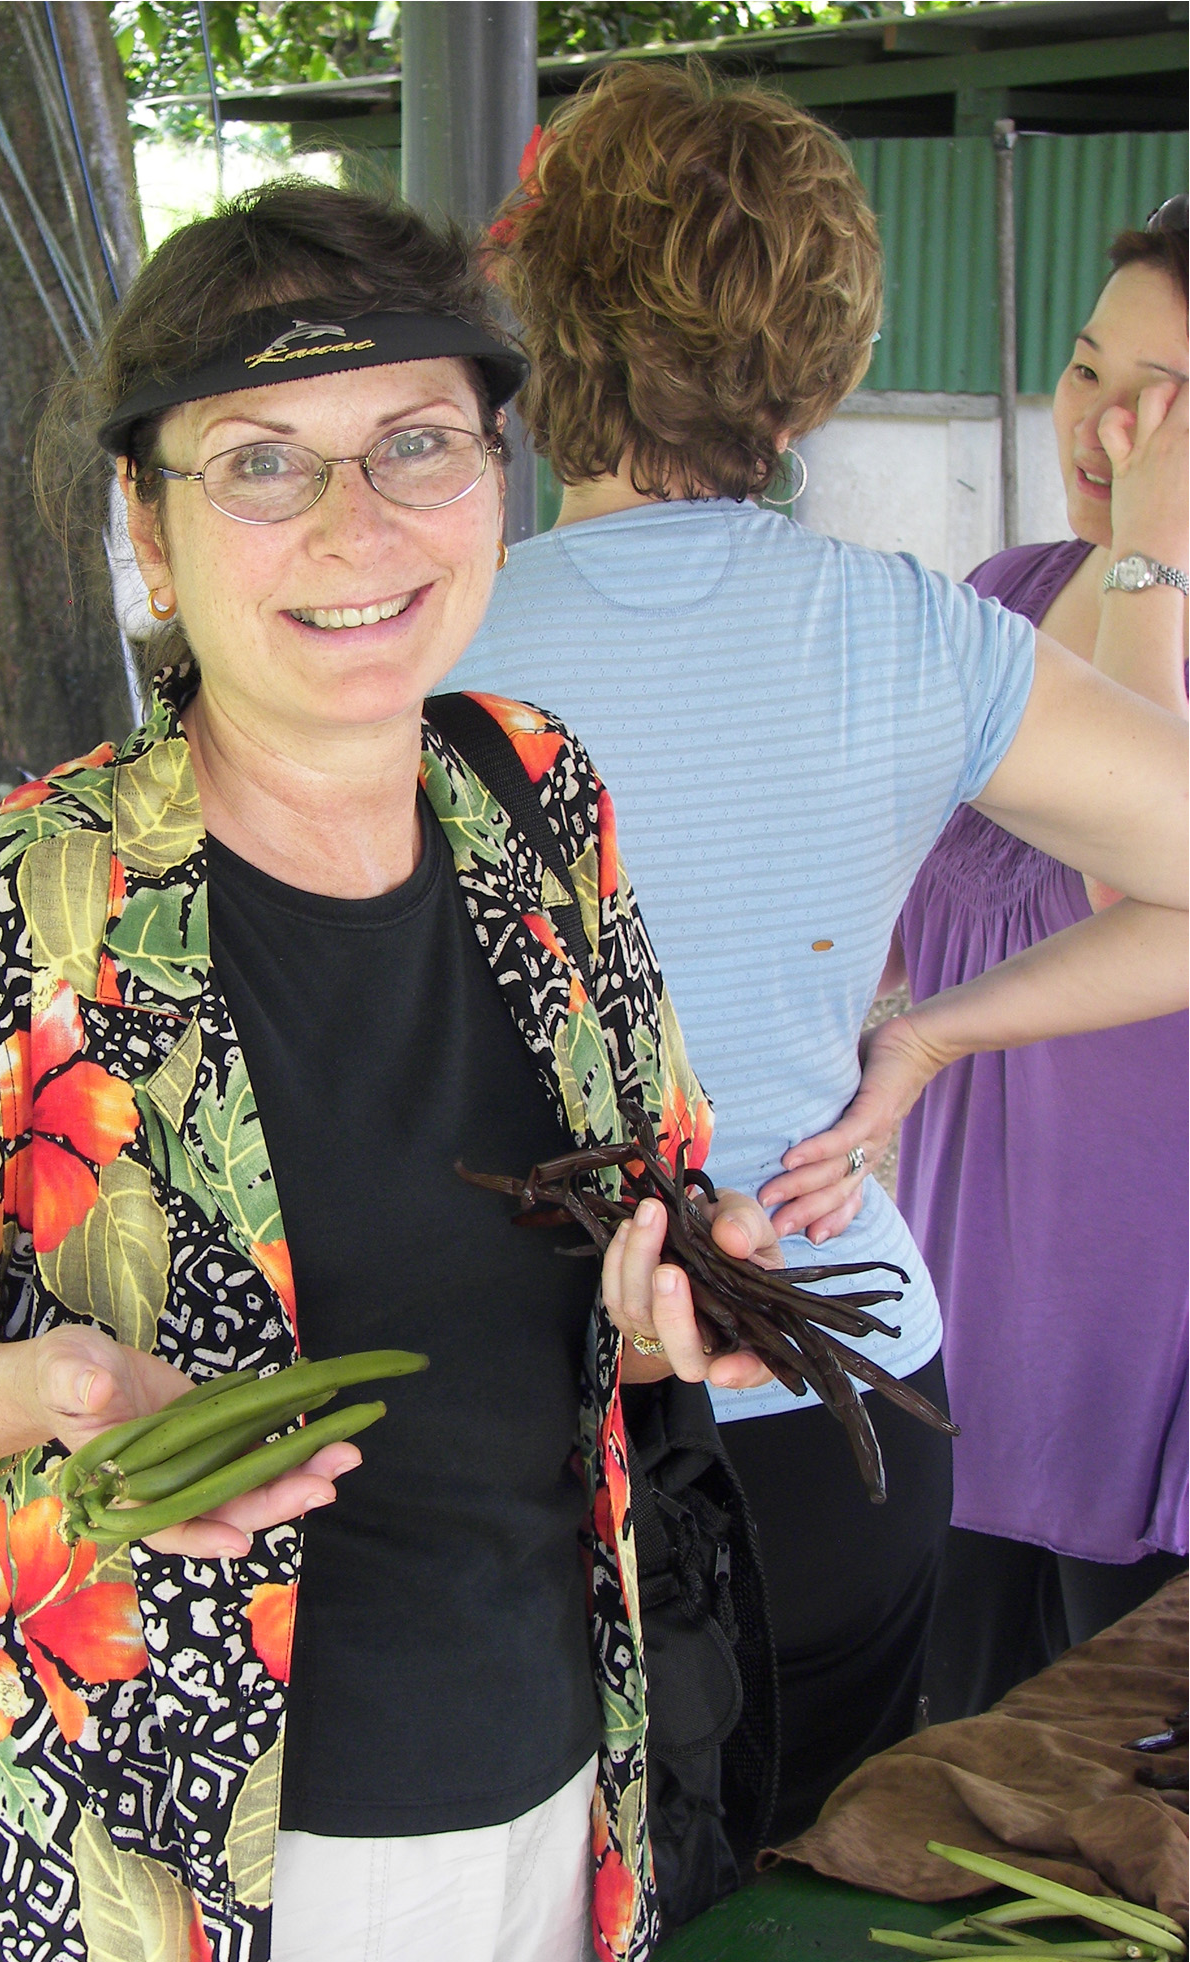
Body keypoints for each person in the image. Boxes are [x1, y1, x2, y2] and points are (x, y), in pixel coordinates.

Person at [0, 182, 783, 1962]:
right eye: (263, 464)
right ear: (148, 521)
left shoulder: (535, 799)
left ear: (497, 468)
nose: (356, 525)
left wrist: (683, 1306)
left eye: (416, 444)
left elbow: (630, 1254)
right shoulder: (14, 924)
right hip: (126, 1873)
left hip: (542, 1793)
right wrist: (41, 1391)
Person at [457, 61, 1188, 1843]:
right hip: (836, 1389)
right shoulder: (922, 636)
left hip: (487, 1405)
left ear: (535, 316)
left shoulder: (407, 637)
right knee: (806, 1887)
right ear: (828, 364)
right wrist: (929, 1038)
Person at [880, 201, 1188, 1723]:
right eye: (1087, 370)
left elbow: (1140, 864)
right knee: (926, 1762)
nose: (1107, 425)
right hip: (952, 1295)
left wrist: (1154, 564)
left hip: (1142, 1325)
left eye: (1171, 403)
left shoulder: (1143, 598)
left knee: (1104, 1797)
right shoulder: (1004, 595)